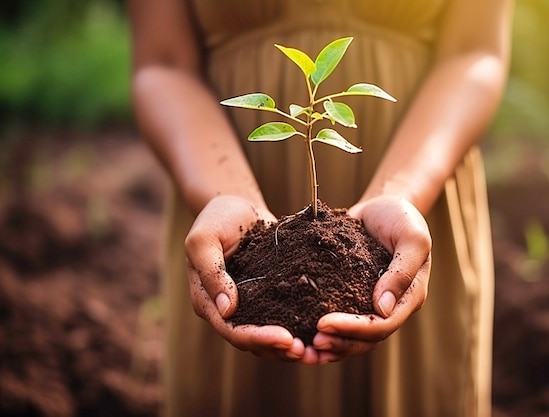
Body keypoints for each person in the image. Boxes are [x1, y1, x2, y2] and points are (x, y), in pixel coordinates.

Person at [128, 0, 513, 416]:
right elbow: (163, 63)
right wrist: (223, 193)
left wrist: (404, 190)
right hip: (213, 172)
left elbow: (475, 51)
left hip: (419, 179)